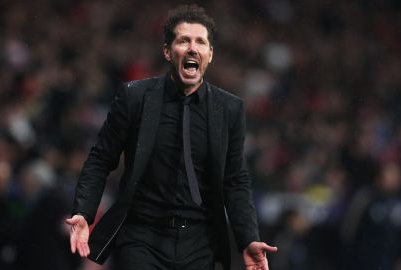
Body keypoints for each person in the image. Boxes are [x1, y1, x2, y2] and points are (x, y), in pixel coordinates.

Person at [66, 4, 277, 270]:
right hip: (142, 236)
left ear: (210, 55)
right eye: (183, 40)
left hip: (200, 242)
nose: (192, 48)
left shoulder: (229, 109)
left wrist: (248, 239)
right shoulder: (135, 98)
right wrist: (83, 212)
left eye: (200, 41)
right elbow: (100, 158)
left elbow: (235, 179)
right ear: (167, 51)